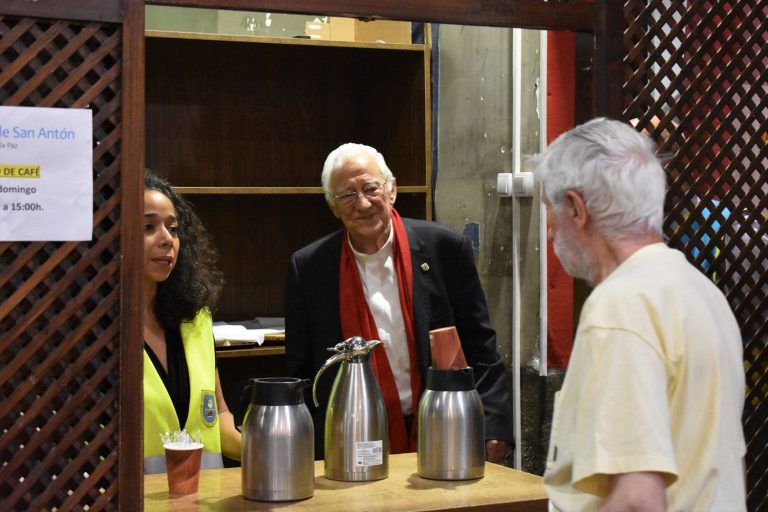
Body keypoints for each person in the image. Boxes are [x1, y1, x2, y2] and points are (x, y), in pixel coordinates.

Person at [535, 118, 746, 511]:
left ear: (577, 209)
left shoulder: (620, 304)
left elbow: (637, 501)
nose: (549, 231)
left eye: (549, 208)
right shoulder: (702, 292)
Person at [285, 143, 514, 462]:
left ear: (391, 190)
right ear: (332, 206)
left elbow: (480, 343)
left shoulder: (444, 249)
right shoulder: (310, 268)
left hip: (441, 423)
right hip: (349, 434)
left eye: (370, 188)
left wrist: (495, 426)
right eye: (347, 195)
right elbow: (302, 368)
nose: (362, 203)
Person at [142, 169, 241, 474]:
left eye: (173, 228)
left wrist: (261, 449)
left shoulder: (195, 319)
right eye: (148, 227)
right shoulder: (99, 330)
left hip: (207, 501)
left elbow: (217, 413)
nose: (166, 240)